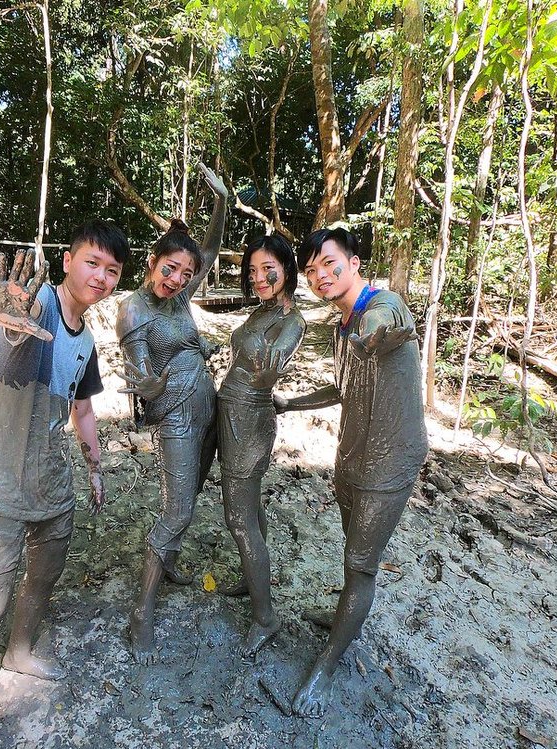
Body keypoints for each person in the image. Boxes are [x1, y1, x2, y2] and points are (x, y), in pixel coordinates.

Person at [0, 220, 129, 749]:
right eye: (92, 263)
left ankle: (21, 649)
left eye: (112, 270)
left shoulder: (87, 339)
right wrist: (9, 317)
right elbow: (13, 328)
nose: (100, 276)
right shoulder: (36, 306)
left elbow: (82, 406)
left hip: (50, 478)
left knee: (47, 570)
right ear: (69, 260)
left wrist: (95, 465)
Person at [275, 227, 428, 717]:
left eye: (329, 262)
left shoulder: (386, 304)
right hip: (351, 460)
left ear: (355, 262)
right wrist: (289, 402)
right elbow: (342, 388)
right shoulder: (340, 328)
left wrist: (375, 331)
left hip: (390, 465)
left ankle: (326, 663)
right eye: (312, 268)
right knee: (352, 556)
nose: (320, 274)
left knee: (360, 565)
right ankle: (349, 617)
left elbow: (384, 323)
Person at [115, 163, 229, 665]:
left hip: (208, 405)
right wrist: (149, 383)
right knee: (177, 508)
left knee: (194, 491)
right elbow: (139, 374)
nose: (178, 279)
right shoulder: (133, 309)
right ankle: (141, 612)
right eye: (170, 269)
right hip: (175, 416)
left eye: (185, 273)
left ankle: (174, 561)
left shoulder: (182, 296)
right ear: (151, 262)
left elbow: (205, 250)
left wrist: (222, 202)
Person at [217, 233, 305, 656]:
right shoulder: (263, 311)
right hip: (232, 414)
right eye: (252, 270)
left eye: (267, 268)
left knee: (239, 520)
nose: (258, 277)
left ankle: (265, 617)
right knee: (252, 510)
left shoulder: (292, 321)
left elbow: (275, 362)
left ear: (287, 268)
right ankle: (254, 581)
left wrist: (269, 377)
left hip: (248, 423)